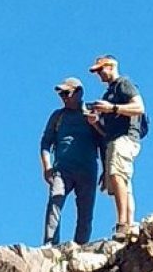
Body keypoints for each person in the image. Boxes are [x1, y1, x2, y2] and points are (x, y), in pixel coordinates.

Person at [40, 77, 104, 245]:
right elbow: (45, 142)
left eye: (67, 93)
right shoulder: (58, 116)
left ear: (79, 92)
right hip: (62, 168)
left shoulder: (92, 111)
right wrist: (47, 167)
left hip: (87, 169)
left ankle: (80, 246)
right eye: (61, 94)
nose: (64, 97)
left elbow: (105, 139)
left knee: (85, 212)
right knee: (55, 200)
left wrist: (95, 123)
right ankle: (50, 244)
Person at [88, 55, 145, 238]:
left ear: (111, 66)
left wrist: (112, 108)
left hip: (125, 138)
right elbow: (106, 131)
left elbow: (139, 107)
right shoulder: (110, 91)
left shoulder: (123, 84)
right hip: (115, 139)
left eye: (100, 70)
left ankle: (122, 224)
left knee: (117, 175)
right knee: (123, 181)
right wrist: (96, 122)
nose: (99, 75)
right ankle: (128, 223)